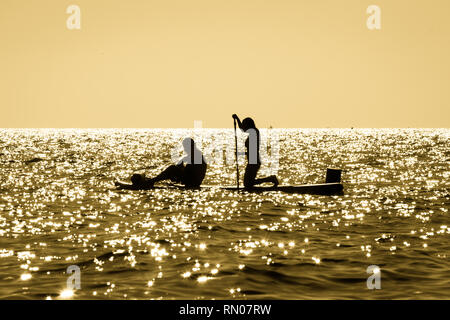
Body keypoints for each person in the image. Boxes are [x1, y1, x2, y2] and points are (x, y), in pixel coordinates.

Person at [117, 137, 207, 189]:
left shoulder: (196, 155)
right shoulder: (195, 154)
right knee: (173, 169)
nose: (185, 149)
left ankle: (150, 182)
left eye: (186, 147)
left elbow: (190, 171)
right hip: (193, 181)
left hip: (193, 182)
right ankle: (152, 180)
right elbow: (186, 168)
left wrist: (177, 172)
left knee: (172, 168)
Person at [232, 114, 279, 188]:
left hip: (254, 161)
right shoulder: (253, 132)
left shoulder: (254, 133)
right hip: (252, 161)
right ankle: (271, 178)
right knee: (248, 183)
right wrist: (237, 118)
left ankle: (271, 178)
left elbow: (252, 151)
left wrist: (240, 153)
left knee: (247, 184)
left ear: (248, 125)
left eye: (245, 125)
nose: (244, 127)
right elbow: (242, 129)